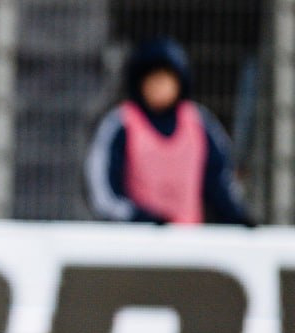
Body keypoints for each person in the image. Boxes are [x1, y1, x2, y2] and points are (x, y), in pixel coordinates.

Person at [85, 35, 254, 226]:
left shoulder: (198, 122)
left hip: (187, 237)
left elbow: (219, 180)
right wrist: (139, 218)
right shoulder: (122, 123)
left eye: (166, 79)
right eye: (153, 79)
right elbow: (104, 191)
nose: (160, 87)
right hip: (135, 237)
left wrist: (237, 218)